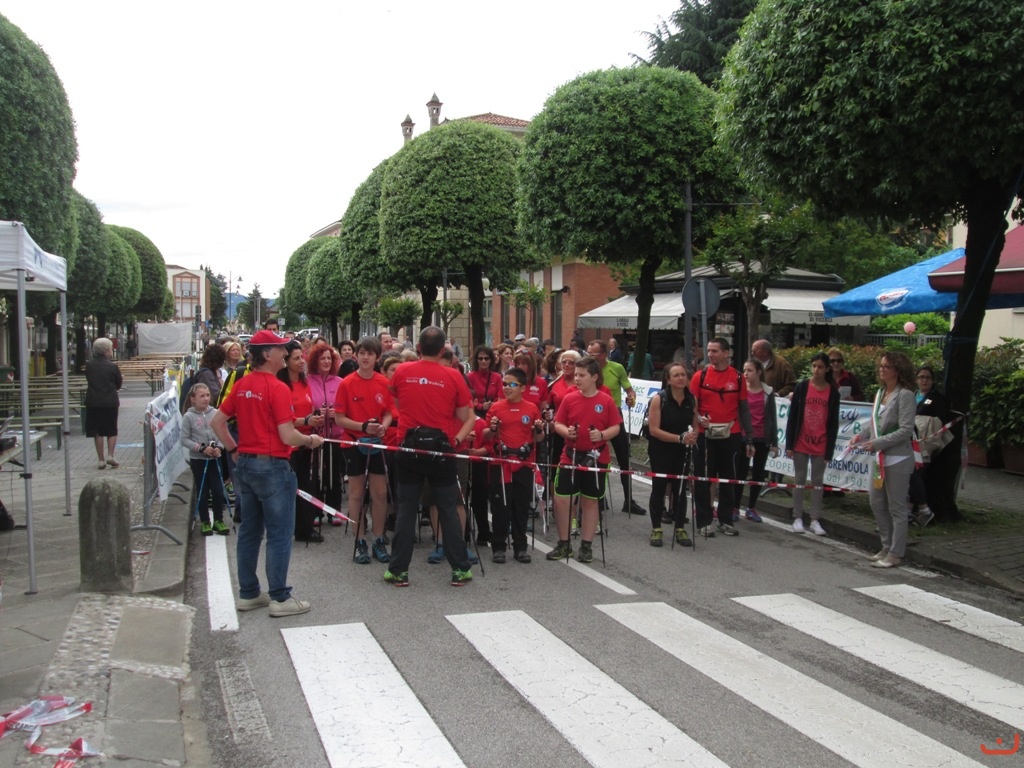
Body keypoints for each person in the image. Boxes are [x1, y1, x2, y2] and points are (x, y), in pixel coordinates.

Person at [211, 329, 324, 618]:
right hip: (273, 466)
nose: (285, 353)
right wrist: (310, 439)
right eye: (280, 349)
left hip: (247, 465)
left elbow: (217, 421)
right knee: (279, 533)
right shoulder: (278, 388)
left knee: (250, 531)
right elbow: (287, 435)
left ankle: (249, 593)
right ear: (266, 354)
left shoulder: (242, 384)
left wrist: (233, 448)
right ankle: (280, 597)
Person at [386, 326, 475, 587]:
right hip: (442, 450)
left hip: (409, 449)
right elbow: (465, 416)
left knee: (406, 510)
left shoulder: (401, 371)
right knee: (448, 509)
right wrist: (456, 440)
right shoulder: (453, 376)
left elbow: (399, 403)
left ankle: (399, 571)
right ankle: (460, 569)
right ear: (443, 349)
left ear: (419, 348)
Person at [546, 356, 622, 563]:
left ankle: (586, 545)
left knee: (590, 501)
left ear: (594, 377)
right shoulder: (569, 398)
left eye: (582, 375)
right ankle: (564, 543)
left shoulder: (605, 400)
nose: (577, 379)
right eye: (576, 375)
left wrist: (602, 435)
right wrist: (566, 432)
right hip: (570, 455)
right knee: (562, 499)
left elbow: (616, 426)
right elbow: (558, 423)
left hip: (597, 457)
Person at [848, 350, 917, 569]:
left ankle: (896, 552)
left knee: (897, 507)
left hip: (897, 458)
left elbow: (906, 430)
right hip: (879, 459)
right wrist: (861, 436)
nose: (882, 370)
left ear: (898, 370)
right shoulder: (880, 393)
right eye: (881, 366)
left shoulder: (905, 395)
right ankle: (886, 545)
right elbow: (874, 423)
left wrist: (878, 443)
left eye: (887, 367)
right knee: (876, 502)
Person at [334, 336, 393, 563]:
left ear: (377, 357)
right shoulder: (346, 383)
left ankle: (378, 538)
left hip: (377, 444)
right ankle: (359, 540)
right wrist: (363, 427)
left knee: (380, 493)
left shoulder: (384, 382)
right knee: (357, 494)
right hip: (354, 443)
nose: (365, 357)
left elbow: (388, 412)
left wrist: (383, 427)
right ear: (356, 355)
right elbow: (340, 418)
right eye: (362, 353)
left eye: (370, 354)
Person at [691, 337, 754, 538]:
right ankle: (704, 521)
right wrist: (698, 419)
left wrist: (749, 438)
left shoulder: (737, 377)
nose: (710, 354)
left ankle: (725, 520)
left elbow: (744, 409)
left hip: (731, 435)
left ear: (726, 353)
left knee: (729, 479)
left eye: (715, 351)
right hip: (705, 435)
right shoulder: (700, 376)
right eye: (709, 351)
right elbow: (692, 406)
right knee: (703, 479)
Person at [483, 367, 544, 563]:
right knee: (500, 506)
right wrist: (493, 429)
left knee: (521, 506)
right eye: (504, 384)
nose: (507, 388)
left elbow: (538, 437)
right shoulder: (496, 407)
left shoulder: (531, 408)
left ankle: (520, 547)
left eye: (512, 384)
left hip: (524, 464)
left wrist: (539, 430)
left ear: (523, 388)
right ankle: (499, 546)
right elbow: (486, 435)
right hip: (501, 463)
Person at [785, 352, 841, 536]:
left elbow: (833, 423)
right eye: (814, 366)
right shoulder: (802, 387)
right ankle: (797, 516)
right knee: (799, 478)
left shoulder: (832, 392)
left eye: (820, 367)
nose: (816, 370)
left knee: (817, 481)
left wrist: (829, 451)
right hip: (801, 440)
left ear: (827, 369)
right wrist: (789, 444)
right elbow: (793, 416)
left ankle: (815, 518)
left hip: (821, 441)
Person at [587, 339, 643, 514]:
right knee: (596, 457)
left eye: (593, 354)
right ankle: (599, 497)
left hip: (614, 416)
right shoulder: (587, 370)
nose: (589, 357)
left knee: (624, 457)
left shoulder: (616, 368)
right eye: (588, 353)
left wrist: (631, 398)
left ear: (603, 355)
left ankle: (629, 500)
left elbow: (629, 389)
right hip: (594, 417)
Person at [645, 363, 698, 547]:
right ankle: (656, 528)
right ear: (668, 380)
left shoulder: (691, 399)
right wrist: (679, 438)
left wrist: (693, 436)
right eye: (676, 375)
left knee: (681, 489)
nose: (681, 378)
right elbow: (654, 430)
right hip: (661, 449)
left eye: (683, 375)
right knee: (659, 488)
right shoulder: (659, 399)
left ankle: (680, 527)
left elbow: (695, 423)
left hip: (682, 450)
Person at [277, 340, 325, 543]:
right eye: (296, 358)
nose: (301, 361)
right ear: (286, 361)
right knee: (289, 488)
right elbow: (282, 419)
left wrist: (315, 419)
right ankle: (287, 527)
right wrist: (305, 421)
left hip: (307, 442)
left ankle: (305, 528)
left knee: (307, 486)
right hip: (290, 444)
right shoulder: (281, 386)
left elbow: (308, 409)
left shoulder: (304, 383)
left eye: (302, 357)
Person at [179, 383, 229, 536]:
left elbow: (223, 433)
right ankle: (205, 521)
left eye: (207, 395)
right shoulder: (189, 417)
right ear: (193, 399)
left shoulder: (215, 413)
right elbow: (184, 439)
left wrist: (219, 447)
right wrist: (201, 448)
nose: (206, 398)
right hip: (199, 460)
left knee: (218, 490)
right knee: (202, 491)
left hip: (215, 458)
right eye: (202, 396)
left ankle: (219, 520)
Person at [467, 346, 502, 544]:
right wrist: (480, 405)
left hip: (488, 420)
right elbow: (469, 399)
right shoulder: (471, 377)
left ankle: (484, 531)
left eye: (486, 358)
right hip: (474, 417)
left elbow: (500, 397)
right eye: (480, 358)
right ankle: (465, 530)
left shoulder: (496, 377)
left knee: (481, 492)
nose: (483, 362)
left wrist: (489, 407)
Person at [307, 342, 344, 522]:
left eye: (329, 358)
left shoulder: (339, 382)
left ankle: (334, 510)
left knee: (334, 474)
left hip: (335, 435)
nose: (327, 362)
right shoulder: (307, 381)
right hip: (315, 435)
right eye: (323, 358)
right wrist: (315, 413)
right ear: (315, 361)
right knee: (315, 474)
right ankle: (315, 511)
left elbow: (345, 407)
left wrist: (337, 413)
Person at [738, 359, 778, 523]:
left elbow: (772, 418)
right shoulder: (741, 390)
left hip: (761, 437)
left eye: (750, 370)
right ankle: (735, 506)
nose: (746, 374)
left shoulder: (767, 392)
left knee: (758, 473)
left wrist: (774, 442)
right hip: (743, 436)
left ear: (759, 372)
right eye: (744, 370)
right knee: (740, 472)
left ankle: (751, 507)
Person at [909, 365, 950, 527]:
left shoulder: (936, 398)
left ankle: (922, 510)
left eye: (927, 377)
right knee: (912, 474)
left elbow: (940, 422)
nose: (924, 380)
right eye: (921, 377)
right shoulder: (912, 395)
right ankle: (912, 510)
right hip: (909, 441)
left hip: (925, 443)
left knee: (916, 473)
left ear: (933, 381)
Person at [85, 337, 122, 470]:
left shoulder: (89, 366)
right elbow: (118, 383)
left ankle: (100, 459)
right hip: (110, 401)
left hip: (93, 401)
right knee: (111, 429)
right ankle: (111, 455)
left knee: (97, 431)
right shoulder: (113, 366)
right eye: (111, 349)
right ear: (107, 351)